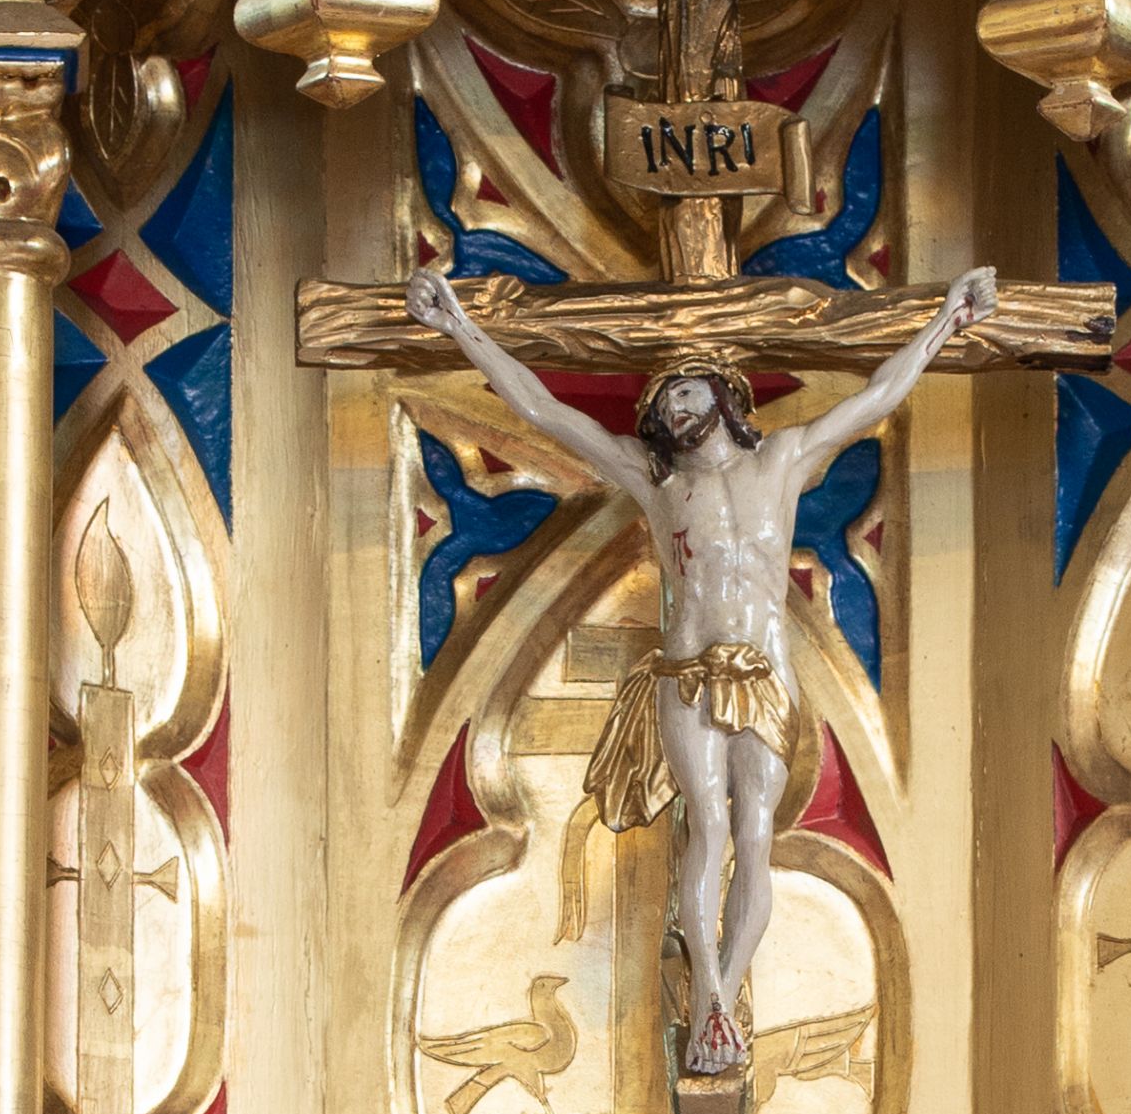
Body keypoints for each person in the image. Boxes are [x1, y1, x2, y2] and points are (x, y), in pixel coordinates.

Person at [401, 258, 997, 1066]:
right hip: (686, 673)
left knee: (755, 833)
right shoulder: (656, 481)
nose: (673, 408)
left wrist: (947, 320)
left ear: (722, 396)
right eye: (663, 403)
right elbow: (542, 409)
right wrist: (458, 326)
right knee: (707, 825)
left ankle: (725, 992)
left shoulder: (781, 460)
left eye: (684, 392)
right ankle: (710, 993)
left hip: (767, 671)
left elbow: (876, 399)